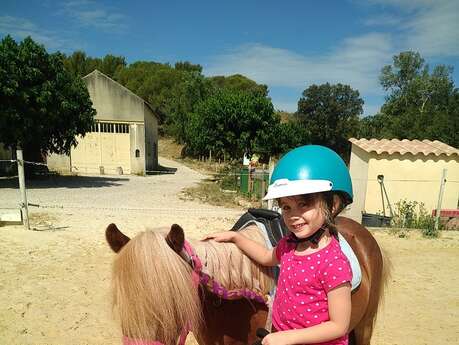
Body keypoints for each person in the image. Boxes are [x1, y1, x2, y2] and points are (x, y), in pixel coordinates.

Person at [203, 145, 353, 345]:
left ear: (332, 205)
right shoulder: (289, 244)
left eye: (304, 204)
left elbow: (339, 325)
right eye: (286, 207)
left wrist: (288, 338)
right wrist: (235, 238)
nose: (293, 215)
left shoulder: (333, 263)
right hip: (281, 337)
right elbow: (266, 256)